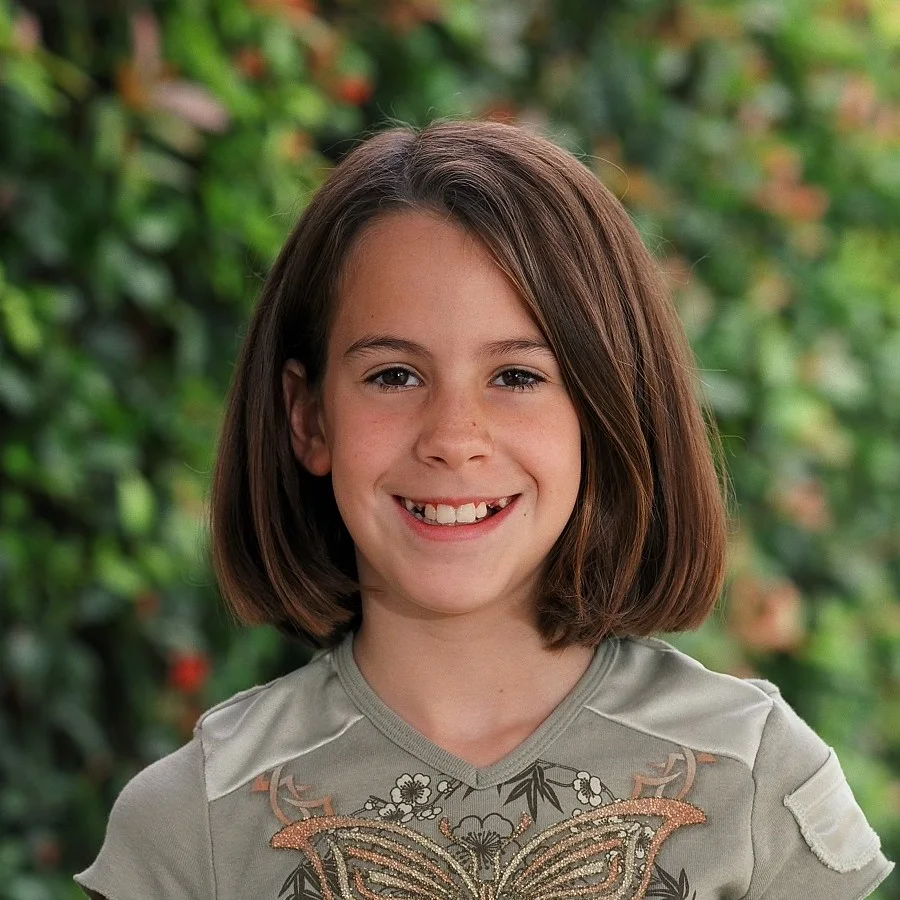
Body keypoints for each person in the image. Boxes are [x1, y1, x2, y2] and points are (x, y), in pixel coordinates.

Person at [75, 120, 893, 900]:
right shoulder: (195, 822)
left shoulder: (755, 777)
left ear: (608, 410)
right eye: (395, 375)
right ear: (309, 418)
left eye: (517, 377)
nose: (453, 440)